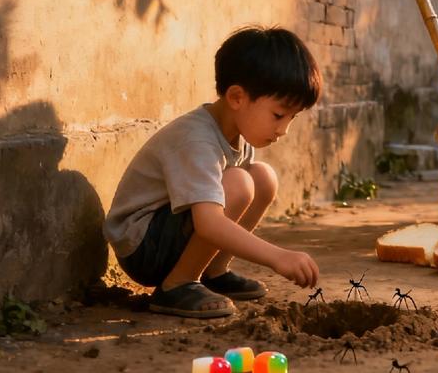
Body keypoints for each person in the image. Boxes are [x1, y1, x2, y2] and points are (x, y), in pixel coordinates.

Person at [103, 27, 322, 318]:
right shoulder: (197, 139)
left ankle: (212, 272)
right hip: (142, 246)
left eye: (292, 118)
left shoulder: (237, 134)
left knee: (262, 177)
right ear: (236, 97)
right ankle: (177, 285)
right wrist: (277, 257)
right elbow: (208, 224)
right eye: (279, 115)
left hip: (168, 233)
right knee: (240, 182)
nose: (284, 130)